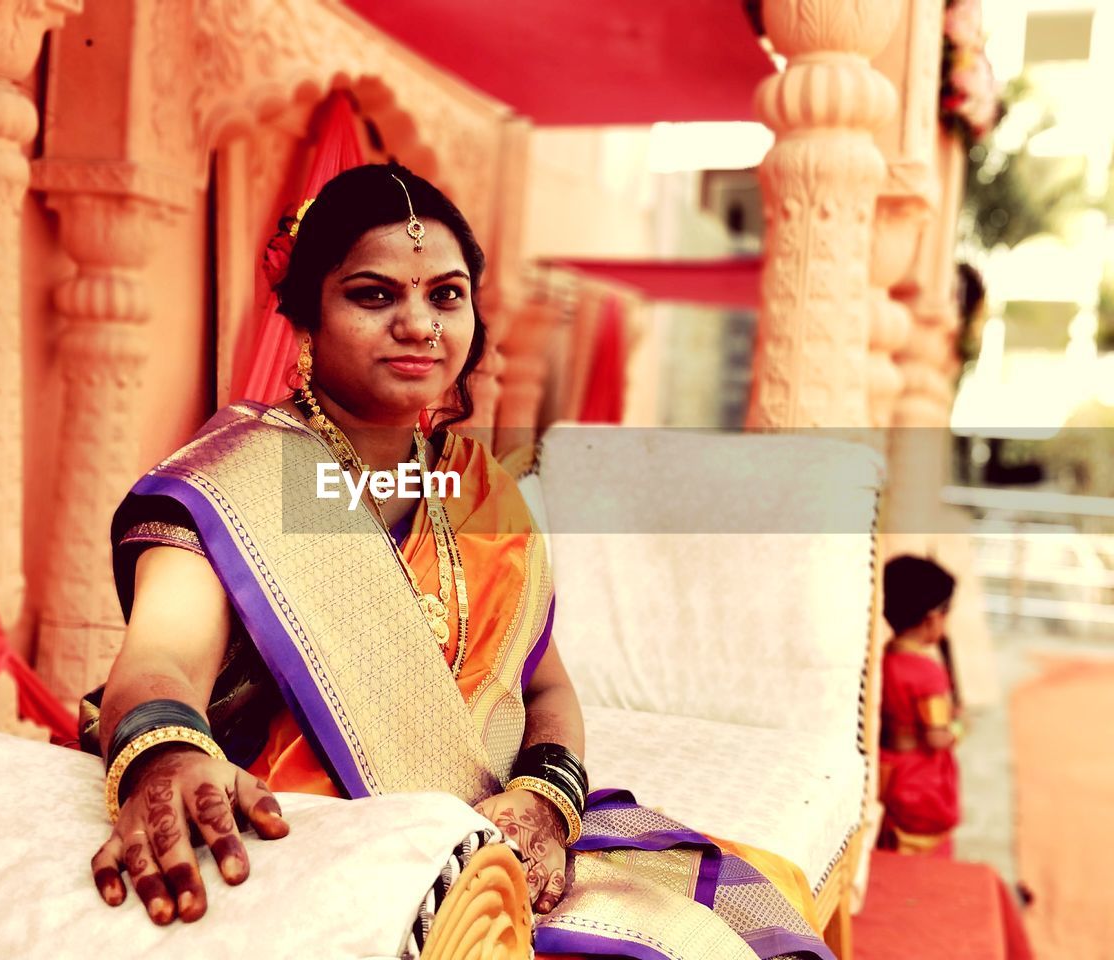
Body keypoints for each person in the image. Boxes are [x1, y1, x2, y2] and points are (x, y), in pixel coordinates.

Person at [80, 163, 833, 959]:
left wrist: (544, 801)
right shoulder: (237, 480)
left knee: (754, 924)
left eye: (446, 295)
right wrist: (166, 752)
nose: (421, 325)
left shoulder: (478, 493)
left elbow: (547, 687)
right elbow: (160, 655)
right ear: (306, 317)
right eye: (374, 295)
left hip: (494, 827)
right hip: (321, 835)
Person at [877, 555, 962, 857]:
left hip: (885, 771)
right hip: (919, 778)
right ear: (932, 618)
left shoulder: (883, 660)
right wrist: (959, 727)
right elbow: (936, 737)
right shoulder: (928, 673)